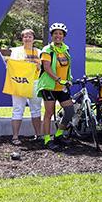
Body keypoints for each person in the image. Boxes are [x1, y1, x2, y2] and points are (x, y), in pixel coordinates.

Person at [36, 23, 73, 151]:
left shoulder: (65, 49)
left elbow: (66, 67)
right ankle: (47, 139)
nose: (58, 36)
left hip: (61, 86)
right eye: (56, 33)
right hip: (49, 86)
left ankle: (58, 135)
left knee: (70, 111)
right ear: (52, 35)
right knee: (49, 113)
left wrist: (68, 79)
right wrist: (58, 79)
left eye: (60, 34)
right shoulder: (47, 50)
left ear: (64, 36)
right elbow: (46, 67)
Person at [9, 29, 42, 145]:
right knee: (18, 109)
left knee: (36, 109)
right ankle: (15, 137)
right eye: (25, 36)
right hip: (20, 83)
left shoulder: (39, 52)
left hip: (35, 82)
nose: (27, 38)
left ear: (33, 38)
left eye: (30, 36)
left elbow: (42, 69)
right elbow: (12, 67)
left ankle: (38, 135)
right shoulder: (16, 51)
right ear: (22, 39)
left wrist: (38, 66)